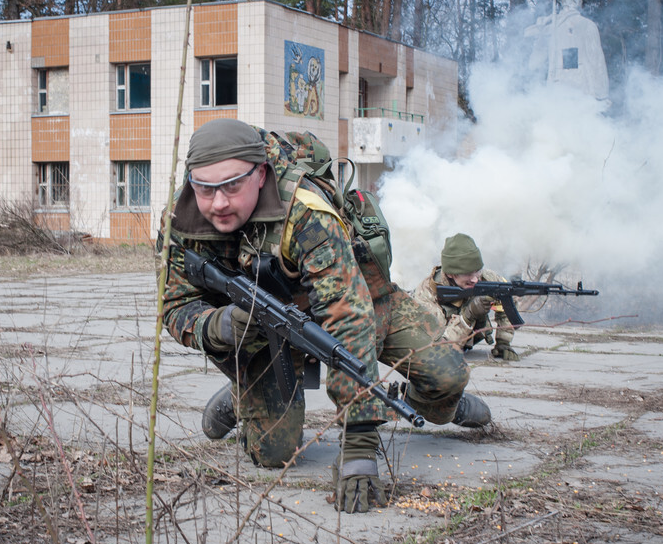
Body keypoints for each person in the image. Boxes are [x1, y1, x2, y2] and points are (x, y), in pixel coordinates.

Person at [160, 119, 491, 514]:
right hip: (265, 328)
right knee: (272, 454)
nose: (218, 203)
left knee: (447, 378)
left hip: (363, 297)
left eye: (232, 185)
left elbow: (348, 316)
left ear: (260, 172)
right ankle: (241, 395)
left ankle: (446, 407)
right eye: (204, 188)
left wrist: (359, 446)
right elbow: (176, 305)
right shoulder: (180, 222)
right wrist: (222, 326)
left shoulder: (305, 211)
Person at [412, 233, 520, 361]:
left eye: (478, 270)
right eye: (468, 274)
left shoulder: (486, 277)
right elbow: (438, 347)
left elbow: (508, 300)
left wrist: (504, 342)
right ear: (451, 274)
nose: (475, 279)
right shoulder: (426, 295)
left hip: (468, 340)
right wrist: (468, 315)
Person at [524, 0, 609, 103]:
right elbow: (597, 63)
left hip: (562, 91)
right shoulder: (585, 26)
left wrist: (540, 34)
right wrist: (602, 96)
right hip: (576, 91)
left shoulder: (553, 27)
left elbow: (534, 64)